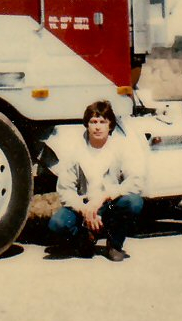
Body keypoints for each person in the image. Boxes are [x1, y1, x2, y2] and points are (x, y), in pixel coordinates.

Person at [48, 100, 145, 262]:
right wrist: (84, 209)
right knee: (57, 224)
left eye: (102, 122)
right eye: (93, 122)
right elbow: (65, 189)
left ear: (110, 125)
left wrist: (106, 196)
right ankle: (85, 238)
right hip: (85, 205)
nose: (98, 127)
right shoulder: (75, 150)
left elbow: (136, 180)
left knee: (134, 202)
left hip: (109, 204)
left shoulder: (120, 147)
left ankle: (114, 244)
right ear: (87, 125)